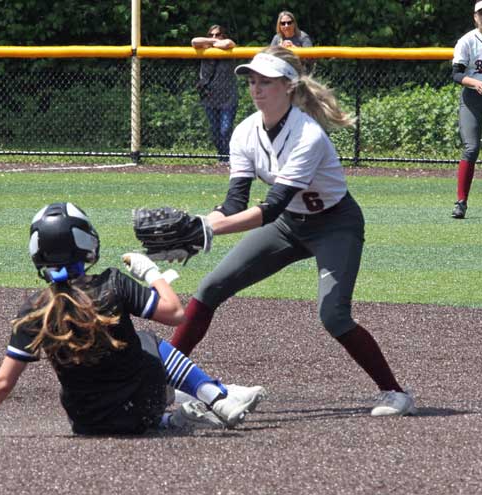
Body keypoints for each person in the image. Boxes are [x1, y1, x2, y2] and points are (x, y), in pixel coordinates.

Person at [169, 46, 416, 417]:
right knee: (209, 289)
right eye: (252, 81)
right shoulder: (244, 132)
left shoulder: (308, 135)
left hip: (335, 224)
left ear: (288, 86)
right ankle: (165, 379)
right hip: (289, 228)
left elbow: (271, 207)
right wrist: (199, 225)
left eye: (265, 82)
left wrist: (208, 230)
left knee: (333, 316)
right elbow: (235, 202)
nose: (256, 89)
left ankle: (396, 393)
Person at [0, 202, 265, 436]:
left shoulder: (34, 309)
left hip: (88, 422)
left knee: (99, 389)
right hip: (145, 404)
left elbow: (3, 382)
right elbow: (176, 314)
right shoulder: (112, 283)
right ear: (88, 243)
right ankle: (214, 396)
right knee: (149, 343)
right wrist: (151, 273)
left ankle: (178, 418)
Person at [450, 0, 482, 219]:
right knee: (471, 148)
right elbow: (456, 74)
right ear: (475, 17)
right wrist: (475, 83)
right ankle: (461, 203)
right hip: (472, 100)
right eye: (481, 13)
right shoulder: (466, 41)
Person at [192, 25, 239, 165]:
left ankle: (229, 157)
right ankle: (222, 158)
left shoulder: (229, 46)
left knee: (225, 129)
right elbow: (194, 41)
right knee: (215, 131)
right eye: (211, 35)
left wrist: (212, 44)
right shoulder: (204, 48)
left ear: (223, 35)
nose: (214, 37)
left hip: (228, 97)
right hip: (209, 96)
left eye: (217, 34)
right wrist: (211, 42)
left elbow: (228, 43)